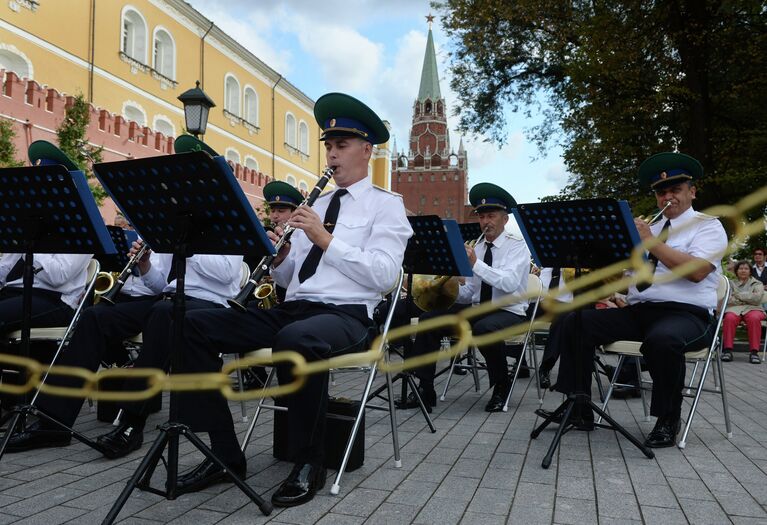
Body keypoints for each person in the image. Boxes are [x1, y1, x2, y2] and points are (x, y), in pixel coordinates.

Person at [171, 93, 412, 507]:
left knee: (298, 340)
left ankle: (308, 461)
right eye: (329, 147)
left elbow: (385, 276)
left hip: (348, 316)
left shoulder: (387, 207)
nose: (332, 156)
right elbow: (293, 277)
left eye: (342, 146)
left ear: (367, 151)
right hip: (295, 309)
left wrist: (325, 238)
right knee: (193, 325)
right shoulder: (315, 203)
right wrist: (281, 258)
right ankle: (224, 454)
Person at [541, 152, 727, 448]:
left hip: (689, 315)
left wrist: (649, 242)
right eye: (662, 192)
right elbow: (628, 282)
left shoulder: (708, 226)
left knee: (663, 339)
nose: (668, 196)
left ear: (692, 192)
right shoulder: (646, 231)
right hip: (640, 311)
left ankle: (667, 419)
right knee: (575, 320)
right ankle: (579, 407)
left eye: (675, 190)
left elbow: (697, 272)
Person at [399, 183, 531, 413]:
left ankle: (501, 385)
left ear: (505, 220)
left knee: (484, 328)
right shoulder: (476, 248)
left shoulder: (517, 247)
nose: (485, 222)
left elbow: (508, 284)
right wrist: (447, 289)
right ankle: (424, 389)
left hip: (509, 311)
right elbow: (471, 292)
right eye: (481, 217)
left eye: (491, 216)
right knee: (430, 320)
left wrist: (475, 265)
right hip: (478, 308)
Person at [237, 180, 305, 392]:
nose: (275, 216)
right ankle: (254, 372)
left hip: (292, 299)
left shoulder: (303, 237)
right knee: (243, 312)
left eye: (281, 210)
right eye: (273, 210)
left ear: (295, 212)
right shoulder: (267, 235)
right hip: (272, 296)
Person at [721, 261, 765, 364]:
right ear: (736, 271)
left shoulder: (757, 283)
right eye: (741, 268)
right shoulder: (730, 283)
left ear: (750, 271)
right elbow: (727, 299)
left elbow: (757, 299)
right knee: (729, 318)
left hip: (753, 308)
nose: (743, 270)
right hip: (734, 308)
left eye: (746, 268)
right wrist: (748, 296)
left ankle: (754, 353)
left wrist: (737, 295)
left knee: (754, 318)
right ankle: (727, 351)